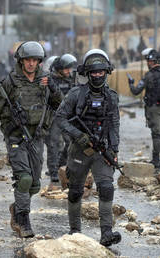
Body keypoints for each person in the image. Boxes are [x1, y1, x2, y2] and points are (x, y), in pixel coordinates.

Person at [0, 41, 62, 238]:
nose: (31, 64)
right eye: (28, 60)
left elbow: (60, 104)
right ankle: (23, 219)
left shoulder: (45, 81)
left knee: (34, 184)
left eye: (35, 60)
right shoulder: (9, 83)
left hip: (36, 137)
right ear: (21, 61)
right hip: (16, 137)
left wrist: (53, 88)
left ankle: (17, 207)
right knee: (24, 178)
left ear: (39, 62)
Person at [56, 49, 121, 247]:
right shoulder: (76, 94)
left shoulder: (111, 96)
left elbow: (114, 123)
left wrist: (114, 150)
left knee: (106, 188)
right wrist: (79, 136)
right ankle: (75, 232)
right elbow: (60, 118)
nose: (97, 76)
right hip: (79, 150)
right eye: (93, 72)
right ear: (87, 73)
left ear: (106, 72)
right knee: (75, 191)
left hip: (102, 151)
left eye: (101, 72)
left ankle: (106, 233)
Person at [128, 48, 160, 172]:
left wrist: (130, 83)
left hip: (154, 107)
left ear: (151, 62)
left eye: (148, 61)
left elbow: (136, 91)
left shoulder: (149, 75)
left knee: (157, 134)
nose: (147, 63)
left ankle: (156, 161)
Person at [44, 54, 77, 182]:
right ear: (59, 69)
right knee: (53, 144)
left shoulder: (71, 79)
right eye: (66, 69)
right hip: (53, 116)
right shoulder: (50, 80)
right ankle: (53, 171)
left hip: (67, 116)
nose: (69, 71)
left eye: (70, 68)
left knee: (70, 143)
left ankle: (61, 165)